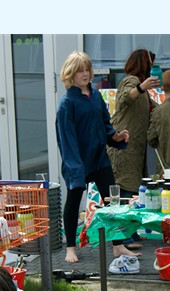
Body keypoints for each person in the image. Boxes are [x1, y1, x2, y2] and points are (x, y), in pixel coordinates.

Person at [55, 51, 130, 264]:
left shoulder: (96, 96)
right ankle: (70, 247)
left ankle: (118, 246)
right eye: (80, 70)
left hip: (99, 158)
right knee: (73, 201)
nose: (85, 73)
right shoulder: (67, 103)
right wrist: (75, 169)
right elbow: (66, 140)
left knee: (112, 201)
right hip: (76, 161)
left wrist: (116, 136)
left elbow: (105, 125)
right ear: (70, 73)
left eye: (87, 69)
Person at [106, 49, 159, 197]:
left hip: (133, 152)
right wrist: (142, 87)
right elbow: (125, 98)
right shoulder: (132, 80)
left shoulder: (144, 94)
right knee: (125, 194)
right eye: (152, 65)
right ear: (144, 65)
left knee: (132, 192)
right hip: (124, 151)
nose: (153, 70)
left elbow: (157, 110)